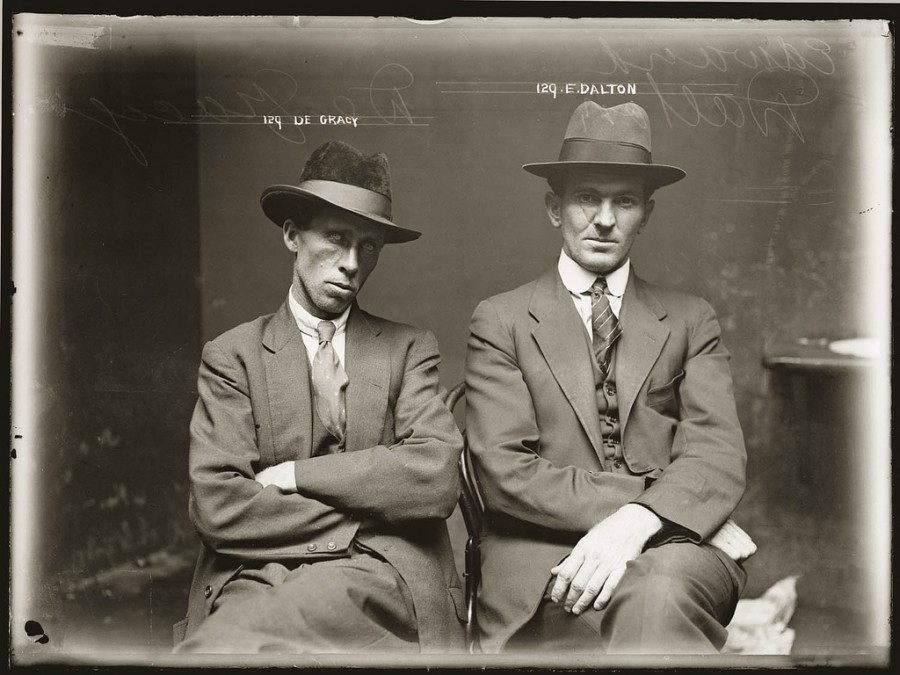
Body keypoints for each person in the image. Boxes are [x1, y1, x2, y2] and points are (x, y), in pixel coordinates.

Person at [464, 101, 757, 655]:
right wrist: (655, 507)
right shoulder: (500, 320)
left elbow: (718, 456)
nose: (603, 219)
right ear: (554, 208)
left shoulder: (692, 319)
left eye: (623, 201)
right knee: (590, 632)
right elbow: (505, 474)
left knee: (658, 598)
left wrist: (642, 526)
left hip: (675, 556)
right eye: (585, 198)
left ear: (646, 213)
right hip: (544, 559)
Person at [174, 140, 466, 654]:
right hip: (256, 572)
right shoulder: (233, 356)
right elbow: (218, 508)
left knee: (270, 631)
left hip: (382, 571)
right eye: (336, 238)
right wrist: (376, 507)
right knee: (233, 639)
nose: (352, 263)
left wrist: (292, 477)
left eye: (369, 246)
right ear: (293, 235)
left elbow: (435, 478)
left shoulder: (409, 349)